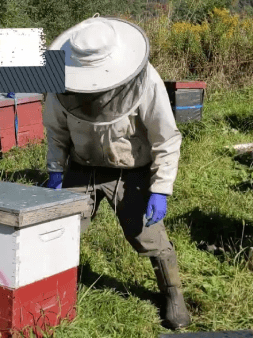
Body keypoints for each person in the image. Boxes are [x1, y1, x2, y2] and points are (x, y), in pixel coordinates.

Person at [43, 14, 191, 330]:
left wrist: (161, 189)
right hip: (81, 168)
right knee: (59, 233)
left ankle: (172, 294)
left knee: (147, 237)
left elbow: (165, 138)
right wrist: (56, 171)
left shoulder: (146, 81)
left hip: (131, 170)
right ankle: (48, 292)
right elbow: (55, 130)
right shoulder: (61, 81)